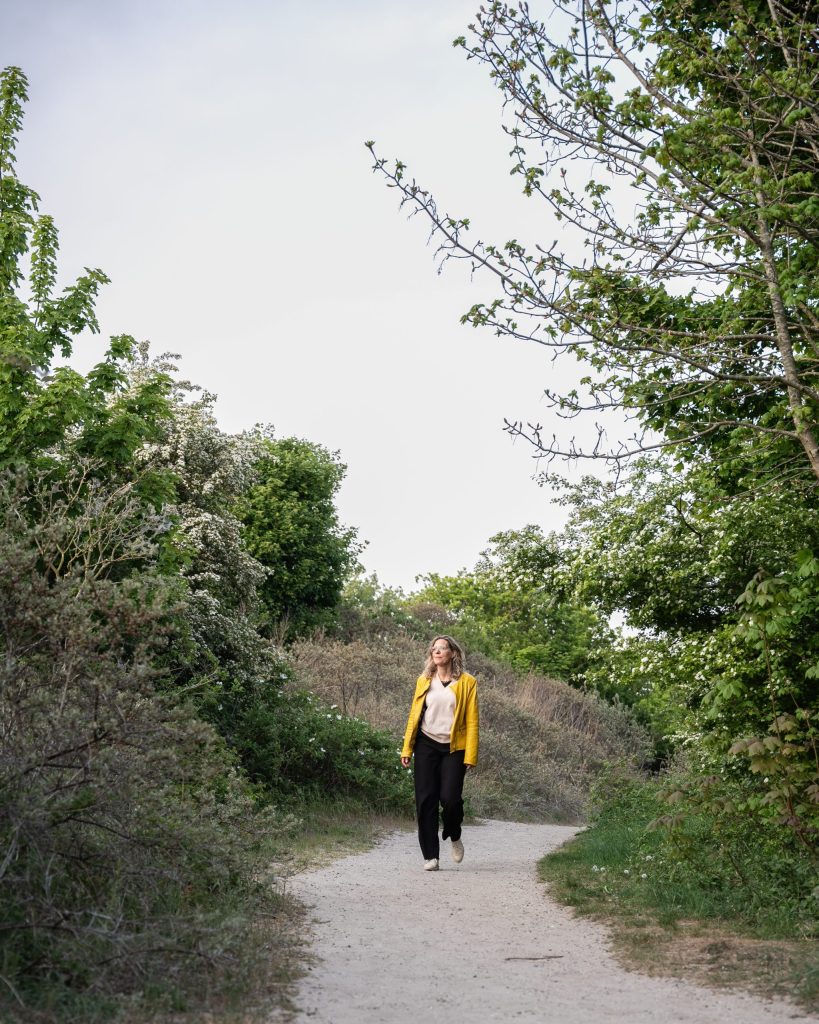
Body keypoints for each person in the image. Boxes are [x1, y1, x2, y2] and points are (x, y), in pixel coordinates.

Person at [400, 635, 479, 871]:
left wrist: (471, 755)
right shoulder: (424, 680)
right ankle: (431, 856)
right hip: (426, 743)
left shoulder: (467, 682)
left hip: (454, 747)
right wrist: (407, 748)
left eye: (442, 648)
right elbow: (414, 716)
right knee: (426, 800)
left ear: (453, 653)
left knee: (450, 799)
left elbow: (472, 721)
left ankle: (454, 833)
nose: (437, 652)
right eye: (434, 648)